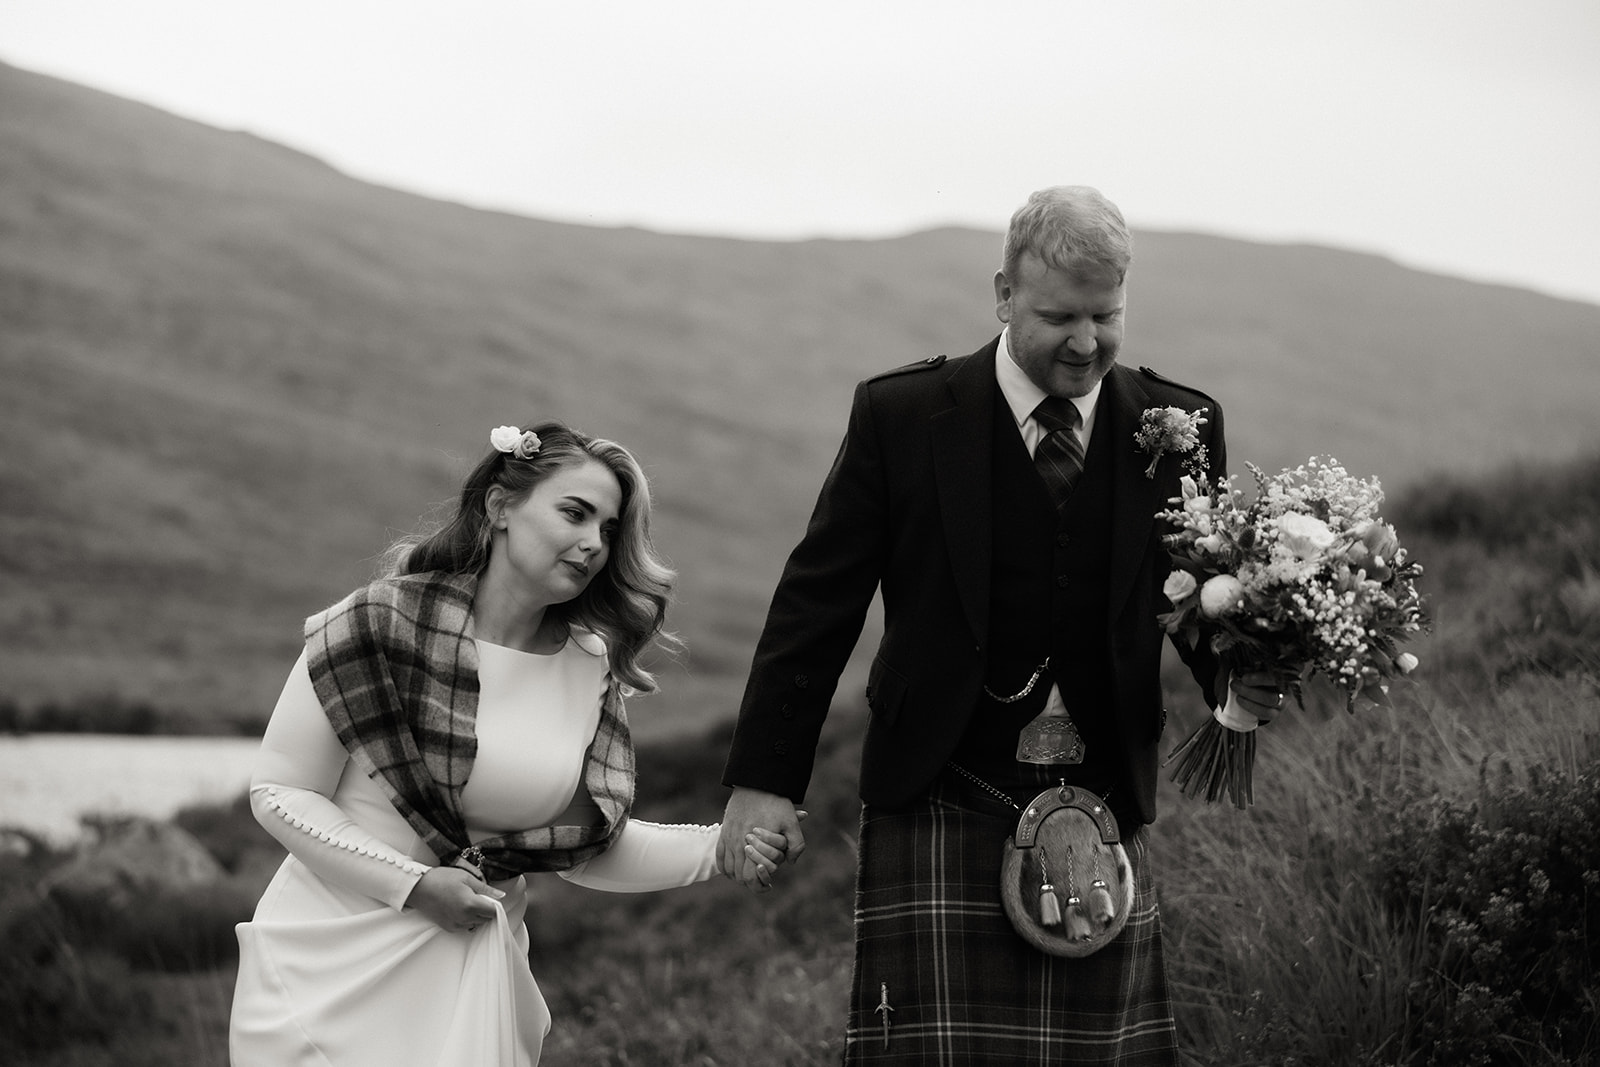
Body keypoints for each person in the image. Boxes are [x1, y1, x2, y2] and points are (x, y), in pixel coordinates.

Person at [718, 186, 1283, 1064]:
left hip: (1101, 796)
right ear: (1003, 293)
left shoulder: (1180, 425)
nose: (1086, 342)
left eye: (1107, 315)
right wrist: (765, 779)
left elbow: (1194, 597)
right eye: (1060, 315)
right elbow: (817, 604)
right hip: (942, 785)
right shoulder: (903, 416)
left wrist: (1241, 674)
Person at [230, 420, 790, 1067]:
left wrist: (723, 846)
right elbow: (280, 790)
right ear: (500, 506)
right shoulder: (376, 624)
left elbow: (582, 848)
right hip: (326, 975)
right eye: (575, 513)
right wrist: (414, 885)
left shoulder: (588, 665)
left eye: (608, 530)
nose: (593, 544)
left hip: (472, 982)